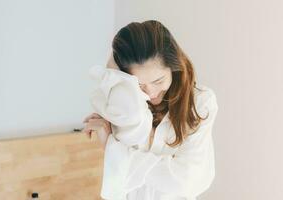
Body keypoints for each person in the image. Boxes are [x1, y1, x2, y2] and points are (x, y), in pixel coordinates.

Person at [83, 20, 219, 200]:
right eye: (139, 84)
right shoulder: (125, 104)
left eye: (158, 81)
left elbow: (187, 181)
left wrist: (113, 149)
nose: (151, 93)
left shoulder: (200, 102)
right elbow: (120, 180)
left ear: (174, 66)